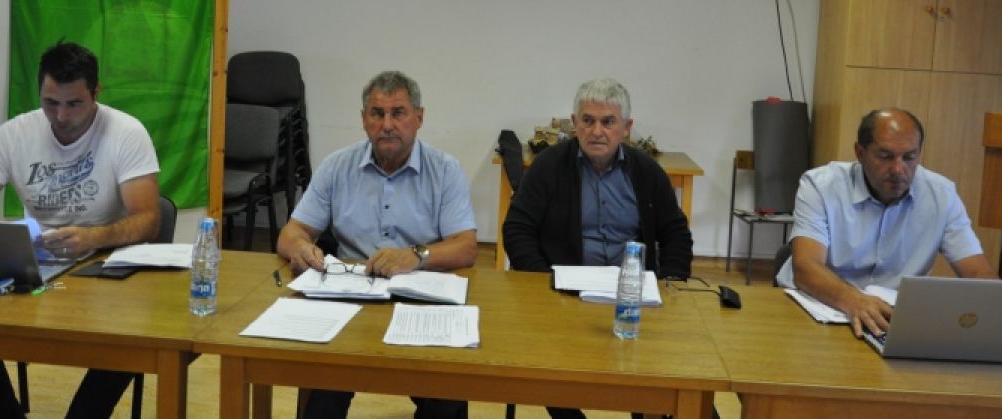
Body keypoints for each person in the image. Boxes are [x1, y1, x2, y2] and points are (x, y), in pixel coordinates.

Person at [0, 40, 161, 419]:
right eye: (51, 103)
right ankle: (0, 412)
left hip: (106, 267)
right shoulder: (14, 134)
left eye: (74, 104)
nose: (61, 115)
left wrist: (94, 237)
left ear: (96, 93)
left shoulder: (126, 132)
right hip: (37, 265)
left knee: (132, 334)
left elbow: (148, 219)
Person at [278, 70, 477, 419]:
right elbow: (292, 232)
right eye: (377, 114)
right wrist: (300, 248)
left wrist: (415, 256)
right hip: (349, 296)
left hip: (420, 297)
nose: (387, 125)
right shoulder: (337, 167)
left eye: (398, 113)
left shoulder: (445, 170)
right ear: (363, 119)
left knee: (446, 399)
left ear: (419, 117)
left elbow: (466, 246)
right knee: (320, 392)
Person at [502, 78, 695, 419]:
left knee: (676, 387)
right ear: (574, 123)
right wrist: (543, 282)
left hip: (633, 299)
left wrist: (671, 282)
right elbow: (517, 229)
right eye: (588, 120)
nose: (597, 131)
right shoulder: (549, 166)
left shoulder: (647, 172)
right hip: (565, 300)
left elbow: (676, 233)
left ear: (626, 127)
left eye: (608, 122)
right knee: (551, 369)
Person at [776, 107, 996, 338]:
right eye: (885, 156)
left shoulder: (942, 195)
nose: (898, 169)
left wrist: (995, 308)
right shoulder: (821, 186)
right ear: (860, 153)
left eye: (909, 157)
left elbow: (978, 273)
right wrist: (854, 301)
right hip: (820, 308)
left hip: (893, 320)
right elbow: (806, 267)